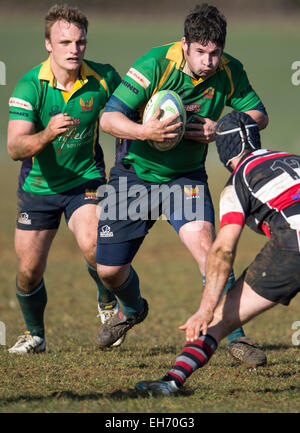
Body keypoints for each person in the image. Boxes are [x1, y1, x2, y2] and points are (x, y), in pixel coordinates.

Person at [95, 2, 268, 367]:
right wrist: (145, 131)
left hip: (185, 179)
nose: (209, 61)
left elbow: (259, 115)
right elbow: (108, 118)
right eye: (201, 52)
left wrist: (221, 126)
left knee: (209, 250)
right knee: (108, 270)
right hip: (134, 175)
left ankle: (235, 337)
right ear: (185, 44)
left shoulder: (230, 71)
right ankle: (134, 309)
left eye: (215, 53)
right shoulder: (155, 65)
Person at [135, 111, 300, 395]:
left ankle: (170, 382)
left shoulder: (237, 183)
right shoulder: (292, 158)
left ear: (223, 151)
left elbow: (223, 250)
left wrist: (205, 309)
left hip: (292, 245)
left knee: (218, 322)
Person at [7, 4, 124, 353]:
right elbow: (15, 147)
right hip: (38, 187)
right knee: (29, 270)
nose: (74, 49)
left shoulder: (103, 78)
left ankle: (107, 305)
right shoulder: (30, 86)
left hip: (84, 180)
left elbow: (129, 111)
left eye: (80, 42)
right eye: (65, 42)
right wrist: (46, 135)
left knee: (94, 245)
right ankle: (35, 336)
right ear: (48, 44)